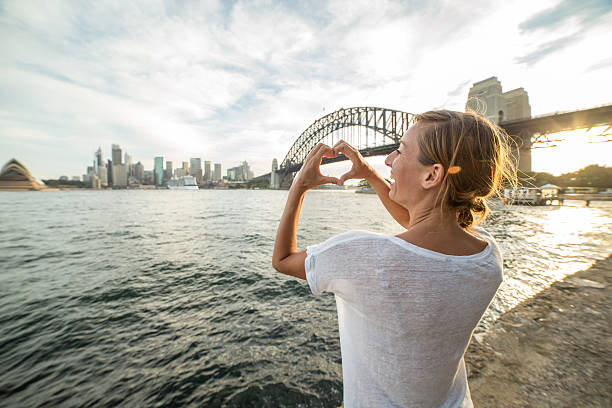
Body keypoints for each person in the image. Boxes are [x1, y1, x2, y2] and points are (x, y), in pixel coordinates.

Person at [272, 110, 516, 407]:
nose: (387, 160)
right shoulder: (487, 257)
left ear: (432, 175)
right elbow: (422, 230)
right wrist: (371, 174)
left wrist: (299, 185)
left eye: (399, 151)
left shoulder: (362, 254)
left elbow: (283, 259)